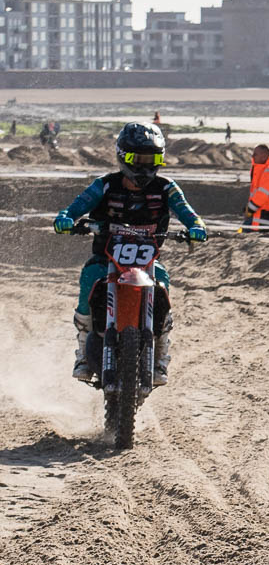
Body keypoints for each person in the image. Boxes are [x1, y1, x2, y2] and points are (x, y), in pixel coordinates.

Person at [52, 123, 207, 385]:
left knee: (163, 282)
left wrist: (197, 227)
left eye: (153, 160)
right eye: (140, 159)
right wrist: (65, 218)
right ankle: (82, 353)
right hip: (106, 259)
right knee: (89, 276)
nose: (146, 167)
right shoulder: (104, 185)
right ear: (124, 156)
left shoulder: (166, 188)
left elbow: (187, 211)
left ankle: (160, 356)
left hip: (146, 262)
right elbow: (75, 207)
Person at [244, 144, 269, 232]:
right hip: (258, 213)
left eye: (255, 154)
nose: (252, 156)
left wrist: (249, 210)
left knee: (242, 232)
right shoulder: (259, 169)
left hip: (266, 216)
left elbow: (262, 195)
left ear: (264, 156)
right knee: (241, 231)